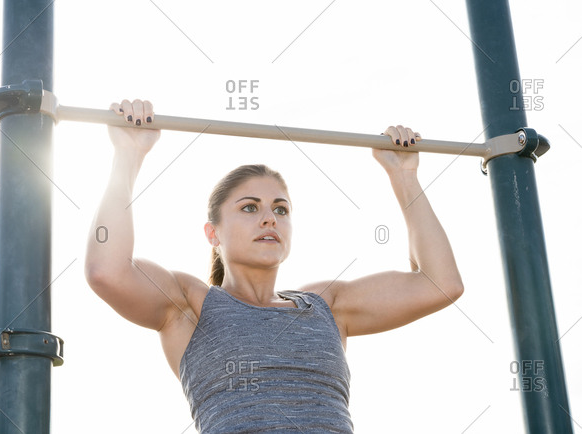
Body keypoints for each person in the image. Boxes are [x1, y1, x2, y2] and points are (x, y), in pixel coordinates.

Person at [85, 99, 464, 433]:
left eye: (280, 209)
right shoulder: (190, 305)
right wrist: (128, 156)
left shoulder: (326, 304)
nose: (270, 218)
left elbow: (439, 283)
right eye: (250, 207)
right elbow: (108, 270)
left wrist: (405, 177)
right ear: (212, 233)